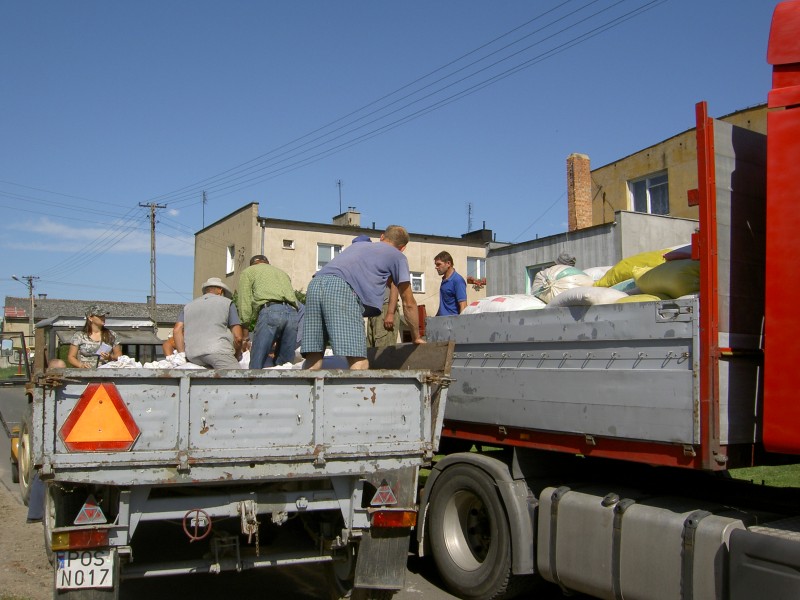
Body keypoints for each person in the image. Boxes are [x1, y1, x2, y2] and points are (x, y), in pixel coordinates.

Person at [302, 224, 425, 370]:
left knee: (313, 358)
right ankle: (358, 393)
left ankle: (305, 391)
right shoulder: (398, 256)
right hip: (341, 288)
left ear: (382, 237)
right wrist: (416, 336)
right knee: (359, 361)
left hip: (315, 284)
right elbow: (408, 302)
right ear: (403, 247)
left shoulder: (358, 246)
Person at [237, 254, 300, 368]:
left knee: (258, 359)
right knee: (285, 364)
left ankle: (253, 384)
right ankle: (285, 384)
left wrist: (245, 331)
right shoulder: (282, 273)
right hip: (292, 313)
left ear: (252, 264)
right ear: (267, 263)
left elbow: (244, 301)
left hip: (270, 311)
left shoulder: (249, 272)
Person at [173, 277, 244, 369]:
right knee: (237, 380)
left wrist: (182, 355)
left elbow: (177, 330)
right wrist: (236, 355)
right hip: (218, 352)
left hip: (193, 355)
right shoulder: (227, 303)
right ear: (220, 291)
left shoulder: (188, 306)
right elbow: (238, 337)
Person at [434, 251, 467, 316]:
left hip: (452, 323)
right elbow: (444, 305)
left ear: (448, 263)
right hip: (442, 322)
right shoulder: (444, 280)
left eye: (438, 264)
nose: (436, 267)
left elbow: (463, 305)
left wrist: (461, 324)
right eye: (435, 265)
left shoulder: (458, 280)